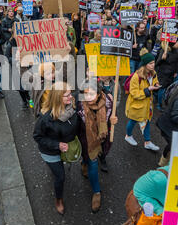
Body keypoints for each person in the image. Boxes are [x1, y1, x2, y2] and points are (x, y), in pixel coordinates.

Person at [33, 82, 80, 215]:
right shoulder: (45, 118)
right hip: (51, 152)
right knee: (60, 177)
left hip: (68, 147)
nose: (71, 97)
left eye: (71, 93)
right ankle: (58, 200)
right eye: (67, 95)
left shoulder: (72, 108)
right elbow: (37, 137)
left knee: (60, 171)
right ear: (57, 97)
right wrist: (57, 145)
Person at [77, 81, 118, 212]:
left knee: (92, 165)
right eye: (85, 94)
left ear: (99, 93)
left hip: (98, 142)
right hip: (83, 140)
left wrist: (112, 122)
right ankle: (85, 165)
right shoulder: (78, 105)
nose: (88, 97)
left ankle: (96, 192)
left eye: (92, 94)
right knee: (88, 160)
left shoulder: (108, 103)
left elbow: (109, 121)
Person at [124, 49, 161, 151]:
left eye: (153, 62)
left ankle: (147, 142)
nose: (153, 65)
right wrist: (148, 90)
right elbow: (134, 93)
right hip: (137, 105)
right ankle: (128, 136)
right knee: (133, 121)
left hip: (147, 104)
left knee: (147, 121)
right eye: (150, 63)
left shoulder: (153, 73)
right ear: (145, 64)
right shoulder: (136, 76)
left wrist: (156, 84)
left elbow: (155, 80)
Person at [155, 40, 178, 111]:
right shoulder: (163, 50)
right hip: (163, 73)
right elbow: (157, 63)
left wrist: (175, 71)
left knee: (166, 89)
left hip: (171, 73)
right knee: (162, 89)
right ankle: (159, 104)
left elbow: (176, 62)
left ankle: (156, 97)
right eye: (177, 42)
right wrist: (162, 58)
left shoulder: (175, 50)